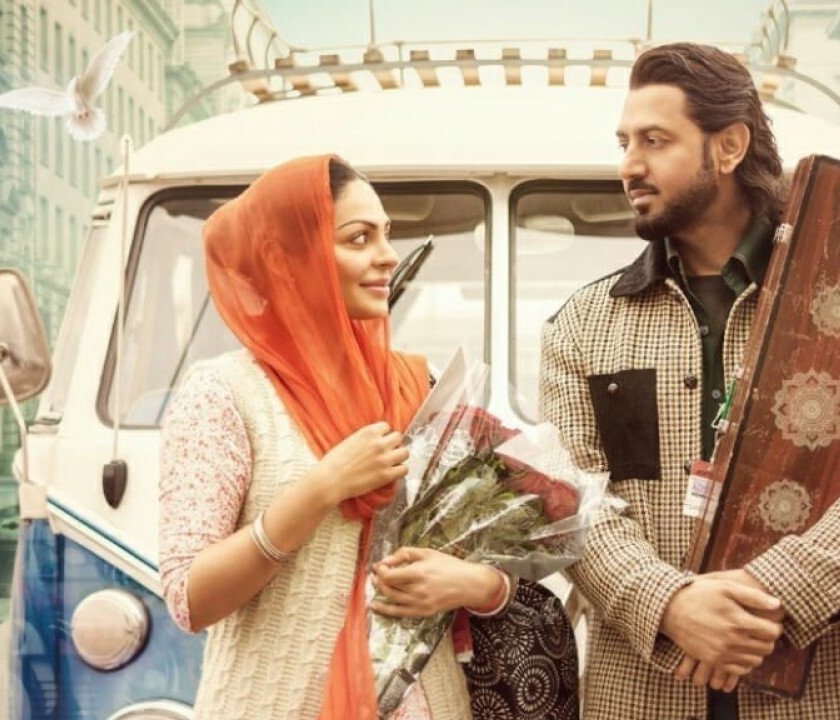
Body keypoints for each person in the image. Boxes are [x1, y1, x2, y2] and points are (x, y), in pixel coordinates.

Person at [539, 43, 840, 720]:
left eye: (655, 141)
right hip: (644, 697)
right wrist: (670, 605)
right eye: (625, 143)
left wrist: (774, 591)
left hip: (831, 698)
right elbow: (569, 500)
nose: (629, 166)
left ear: (730, 146)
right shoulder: (583, 325)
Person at [158, 155, 576, 719]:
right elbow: (189, 599)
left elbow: (500, 551)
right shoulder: (224, 393)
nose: (388, 255)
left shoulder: (423, 387)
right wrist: (321, 488)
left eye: (386, 234)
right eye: (359, 238)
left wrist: (474, 584)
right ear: (288, 258)